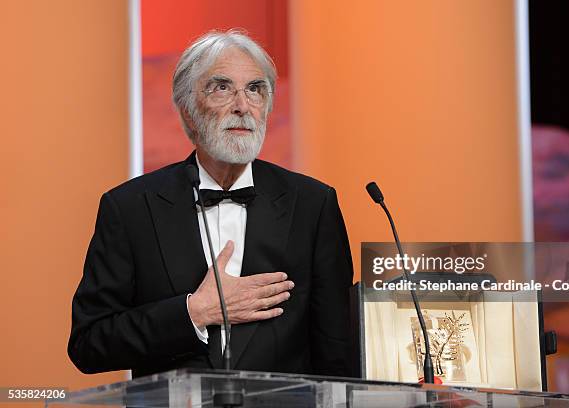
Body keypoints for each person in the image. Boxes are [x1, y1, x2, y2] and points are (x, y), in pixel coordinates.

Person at [68, 29, 354, 378]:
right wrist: (193, 313)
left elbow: (336, 351)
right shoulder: (129, 208)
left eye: (255, 89)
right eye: (222, 87)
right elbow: (89, 343)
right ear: (188, 110)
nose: (242, 105)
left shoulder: (313, 204)